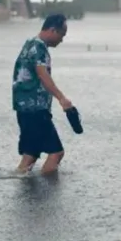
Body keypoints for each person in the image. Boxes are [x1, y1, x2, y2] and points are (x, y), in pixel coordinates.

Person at [12, 14, 73, 175]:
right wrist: (62, 98)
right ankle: (47, 197)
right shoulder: (39, 48)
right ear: (53, 30)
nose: (62, 40)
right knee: (56, 153)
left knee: (30, 155)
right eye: (62, 35)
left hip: (23, 109)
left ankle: (26, 191)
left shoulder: (29, 44)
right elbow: (43, 74)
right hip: (36, 110)